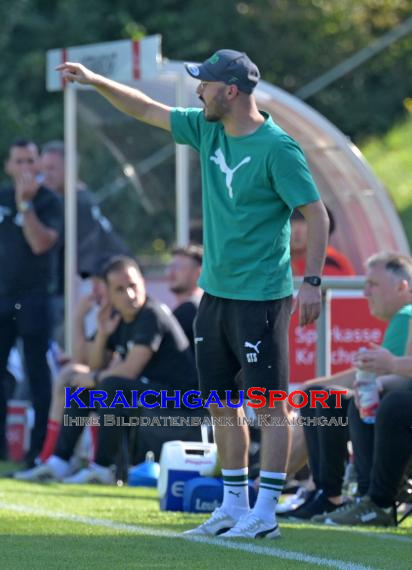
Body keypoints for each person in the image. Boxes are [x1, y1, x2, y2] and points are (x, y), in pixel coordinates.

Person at [57, 49, 329, 538]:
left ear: (230, 91)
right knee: (222, 404)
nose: (197, 90)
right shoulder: (207, 128)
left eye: (204, 83)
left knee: (268, 403)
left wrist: (310, 284)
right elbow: (143, 108)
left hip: (263, 297)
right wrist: (95, 80)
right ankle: (231, 505)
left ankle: (265, 513)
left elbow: (317, 214)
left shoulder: (278, 149)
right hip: (216, 296)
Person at [16, 256, 198, 483]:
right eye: (120, 289)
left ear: (143, 283)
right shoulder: (118, 319)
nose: (129, 294)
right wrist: (102, 333)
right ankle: (60, 461)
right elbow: (94, 365)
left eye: (133, 286)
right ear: (110, 295)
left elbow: (130, 370)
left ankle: (104, 467)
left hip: (182, 400)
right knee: (83, 389)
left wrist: (92, 377)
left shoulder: (151, 314)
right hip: (150, 394)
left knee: (110, 385)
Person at [286, 252, 412, 521]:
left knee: (369, 400)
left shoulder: (406, 313)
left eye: (373, 285)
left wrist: (382, 373)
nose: (365, 292)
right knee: (323, 396)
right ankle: (328, 494)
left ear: (402, 287)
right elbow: (395, 370)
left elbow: (398, 371)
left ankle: (366, 499)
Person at [0, 139, 63, 465]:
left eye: (30, 161)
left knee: (37, 372)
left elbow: (40, 244)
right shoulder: (1, 196)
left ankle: (38, 450)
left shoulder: (49, 202)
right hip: (2, 299)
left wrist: (26, 206)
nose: (25, 168)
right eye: (19, 161)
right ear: (9, 166)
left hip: (35, 300)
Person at [40, 140, 132, 345]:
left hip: (93, 289)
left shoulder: (75, 203)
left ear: (70, 168)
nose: (46, 174)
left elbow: (85, 254)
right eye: (43, 168)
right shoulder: (77, 197)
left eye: (52, 168)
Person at [314, 344, 412, 526]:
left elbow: (398, 367)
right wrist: (377, 384)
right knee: (358, 402)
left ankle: (380, 503)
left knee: (395, 406)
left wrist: (392, 364)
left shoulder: (404, 316)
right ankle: (364, 500)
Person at [291, 207, 355, 277]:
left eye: (304, 222)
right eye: (291, 222)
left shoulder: (334, 263)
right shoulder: (279, 263)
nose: (297, 230)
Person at [167, 245, 203, 351]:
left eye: (178, 267)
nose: (171, 273)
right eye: (170, 267)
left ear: (198, 272)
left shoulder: (190, 309)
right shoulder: (205, 307)